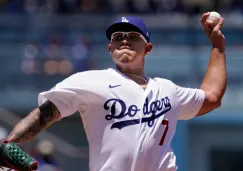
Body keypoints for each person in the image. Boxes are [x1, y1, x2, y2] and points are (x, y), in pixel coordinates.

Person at [6, 13, 226, 171]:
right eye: (117, 36)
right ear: (110, 48)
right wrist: (9, 143)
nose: (124, 39)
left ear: (147, 48)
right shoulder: (91, 81)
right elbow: (44, 114)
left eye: (132, 36)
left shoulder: (168, 89)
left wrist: (218, 46)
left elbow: (212, 97)